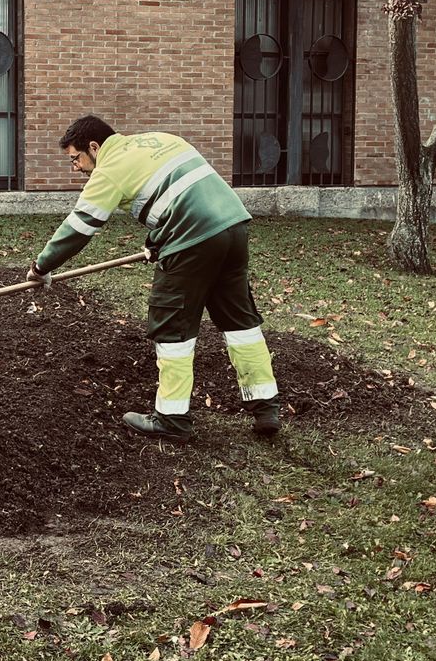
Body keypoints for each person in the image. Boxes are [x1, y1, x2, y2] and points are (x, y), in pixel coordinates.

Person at [27, 115, 280, 442]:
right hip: (233, 228)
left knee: (172, 327)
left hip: (193, 239)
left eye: (76, 158)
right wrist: (158, 241)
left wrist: (41, 267)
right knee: (240, 323)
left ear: (94, 147)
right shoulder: (160, 140)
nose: (76, 167)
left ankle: (172, 420)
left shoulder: (109, 169)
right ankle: (266, 409)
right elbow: (178, 193)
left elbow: (80, 228)